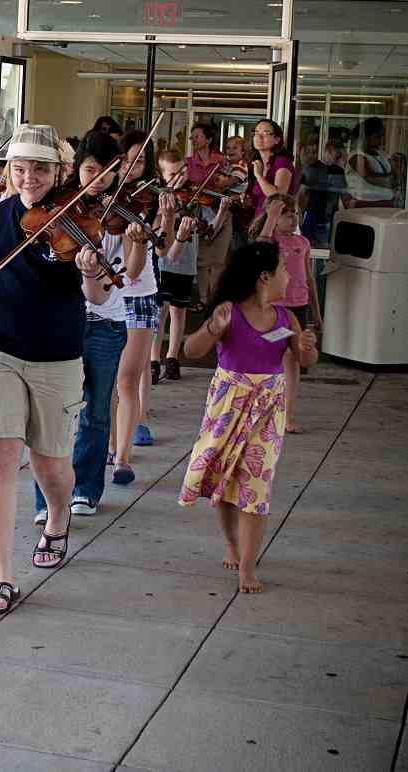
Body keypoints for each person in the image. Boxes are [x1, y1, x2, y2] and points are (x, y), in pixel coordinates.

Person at [0, 124, 109, 614]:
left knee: (50, 464)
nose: (29, 177)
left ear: (58, 171)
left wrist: (90, 270)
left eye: (39, 168)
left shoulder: (79, 222)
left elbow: (98, 296)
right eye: (19, 167)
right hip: (0, 350)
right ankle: (1, 575)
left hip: (58, 355)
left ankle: (58, 514)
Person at [180, 241, 318, 593]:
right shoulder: (230, 312)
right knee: (225, 481)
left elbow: (304, 361)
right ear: (264, 277)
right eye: (284, 270)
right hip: (227, 405)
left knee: (256, 485)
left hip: (268, 409)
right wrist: (212, 328)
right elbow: (191, 350)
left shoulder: (286, 317)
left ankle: (247, 566)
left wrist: (307, 350)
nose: (289, 276)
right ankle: (231, 543)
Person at [31, 130, 145, 518]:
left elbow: (130, 273)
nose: (97, 180)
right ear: (77, 169)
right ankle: (45, 497)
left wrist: (139, 242)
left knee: (96, 410)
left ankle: (86, 488)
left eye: (107, 172)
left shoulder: (123, 214)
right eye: (90, 170)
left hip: (107, 322)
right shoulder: (59, 206)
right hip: (61, 321)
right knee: (53, 413)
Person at [110, 130, 173, 486]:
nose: (134, 168)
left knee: (127, 377)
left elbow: (162, 250)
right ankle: (108, 444)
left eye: (141, 161)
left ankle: (123, 456)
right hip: (104, 296)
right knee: (105, 379)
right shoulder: (102, 197)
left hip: (139, 293)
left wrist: (165, 219)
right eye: (128, 160)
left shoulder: (148, 201)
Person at [152, 149, 231, 384]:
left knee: (179, 311)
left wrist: (222, 211)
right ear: (163, 175)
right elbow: (156, 227)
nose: (180, 177)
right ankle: (154, 360)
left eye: (183, 171)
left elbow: (210, 231)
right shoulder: (161, 199)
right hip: (164, 263)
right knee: (160, 312)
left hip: (186, 265)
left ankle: (173, 358)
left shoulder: (194, 200)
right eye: (173, 173)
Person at [250, 195, 322, 434]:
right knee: (267, 358)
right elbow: (259, 248)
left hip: (298, 307)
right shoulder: (270, 242)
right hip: (275, 308)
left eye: (295, 213)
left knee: (293, 361)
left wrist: (317, 313)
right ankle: (259, 410)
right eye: (286, 213)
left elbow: (309, 278)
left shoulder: (302, 241)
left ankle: (287, 416)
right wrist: (271, 217)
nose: (293, 218)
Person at [189, 123, 234, 306]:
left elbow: (231, 183)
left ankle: (215, 298)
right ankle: (202, 299)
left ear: (208, 139)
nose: (193, 139)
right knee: (202, 259)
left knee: (219, 259)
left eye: (197, 136)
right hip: (199, 213)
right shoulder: (189, 162)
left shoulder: (222, 161)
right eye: (192, 136)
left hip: (221, 212)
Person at [298, 140, 346, 248]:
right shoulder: (312, 168)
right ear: (328, 152)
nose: (338, 157)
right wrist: (299, 213)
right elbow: (302, 194)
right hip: (314, 214)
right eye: (336, 154)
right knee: (309, 246)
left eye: (339, 155)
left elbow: (342, 196)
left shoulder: (338, 170)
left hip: (328, 216)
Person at [247, 118, 297, 216]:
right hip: (259, 222)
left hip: (276, 223)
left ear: (277, 139)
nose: (259, 137)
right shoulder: (259, 163)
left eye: (265, 133)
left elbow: (278, 197)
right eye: (256, 133)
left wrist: (259, 176)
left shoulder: (282, 162)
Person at [345, 117, 395, 209]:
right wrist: (391, 179)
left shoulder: (383, 154)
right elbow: (371, 178)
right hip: (365, 206)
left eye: (382, 136)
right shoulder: (356, 156)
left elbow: (397, 175)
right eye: (378, 136)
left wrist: (392, 179)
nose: (381, 141)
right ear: (367, 136)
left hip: (387, 205)